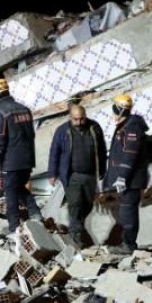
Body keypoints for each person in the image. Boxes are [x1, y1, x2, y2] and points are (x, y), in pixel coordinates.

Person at [47, 103, 106, 246]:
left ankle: (78, 229)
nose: (79, 122)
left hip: (90, 174)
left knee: (87, 204)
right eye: (76, 119)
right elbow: (54, 152)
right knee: (75, 204)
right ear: (70, 117)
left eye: (82, 119)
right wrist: (52, 173)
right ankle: (76, 237)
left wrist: (103, 171)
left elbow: (102, 150)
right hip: (71, 175)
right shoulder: (62, 131)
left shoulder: (94, 127)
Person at [0, 78, 42, 232]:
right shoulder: (24, 109)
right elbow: (31, 135)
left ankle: (14, 229)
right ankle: (35, 213)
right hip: (27, 160)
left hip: (10, 162)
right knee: (19, 188)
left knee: (10, 194)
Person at [103, 93, 149, 255]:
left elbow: (130, 153)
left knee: (128, 211)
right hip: (128, 179)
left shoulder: (132, 127)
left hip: (131, 179)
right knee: (126, 211)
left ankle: (128, 245)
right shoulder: (126, 125)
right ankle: (127, 243)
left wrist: (122, 177)